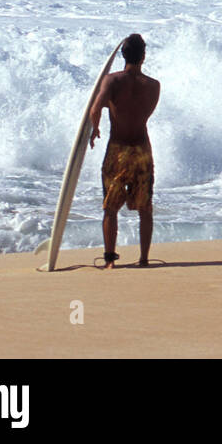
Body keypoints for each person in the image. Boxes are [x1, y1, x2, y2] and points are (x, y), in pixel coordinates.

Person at [89, 33, 160, 268]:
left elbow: (95, 108)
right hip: (141, 150)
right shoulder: (153, 86)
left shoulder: (111, 81)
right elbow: (143, 112)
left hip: (117, 151)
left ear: (123, 55)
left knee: (110, 208)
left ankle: (110, 260)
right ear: (144, 56)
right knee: (145, 208)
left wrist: (95, 129)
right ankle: (144, 259)